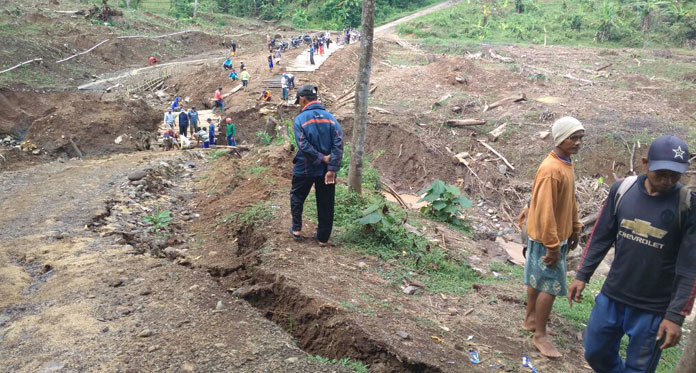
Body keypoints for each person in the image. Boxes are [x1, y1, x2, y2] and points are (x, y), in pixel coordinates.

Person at [569, 135, 696, 372]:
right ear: (645, 163)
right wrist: (582, 274)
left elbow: (690, 266)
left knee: (639, 368)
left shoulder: (688, 205)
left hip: (654, 308)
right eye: (662, 174)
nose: (668, 181)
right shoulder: (623, 190)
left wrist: (675, 315)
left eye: (675, 175)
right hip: (613, 296)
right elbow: (601, 236)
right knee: (595, 351)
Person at [521, 116, 584, 358]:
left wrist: (576, 226)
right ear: (560, 139)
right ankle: (540, 335)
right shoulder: (551, 170)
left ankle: (530, 320)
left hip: (554, 235)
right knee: (550, 284)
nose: (578, 142)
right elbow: (546, 210)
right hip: (549, 238)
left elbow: (570, 199)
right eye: (573, 138)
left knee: (538, 278)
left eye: (580, 138)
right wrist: (553, 245)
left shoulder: (565, 163)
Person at [289, 85, 344, 246]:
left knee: (297, 196)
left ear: (302, 99)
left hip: (305, 167)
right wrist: (332, 167)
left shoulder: (300, 119)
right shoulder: (331, 118)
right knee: (326, 202)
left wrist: (320, 158)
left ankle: (297, 229)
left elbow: (303, 145)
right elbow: (338, 144)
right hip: (326, 171)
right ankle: (323, 238)